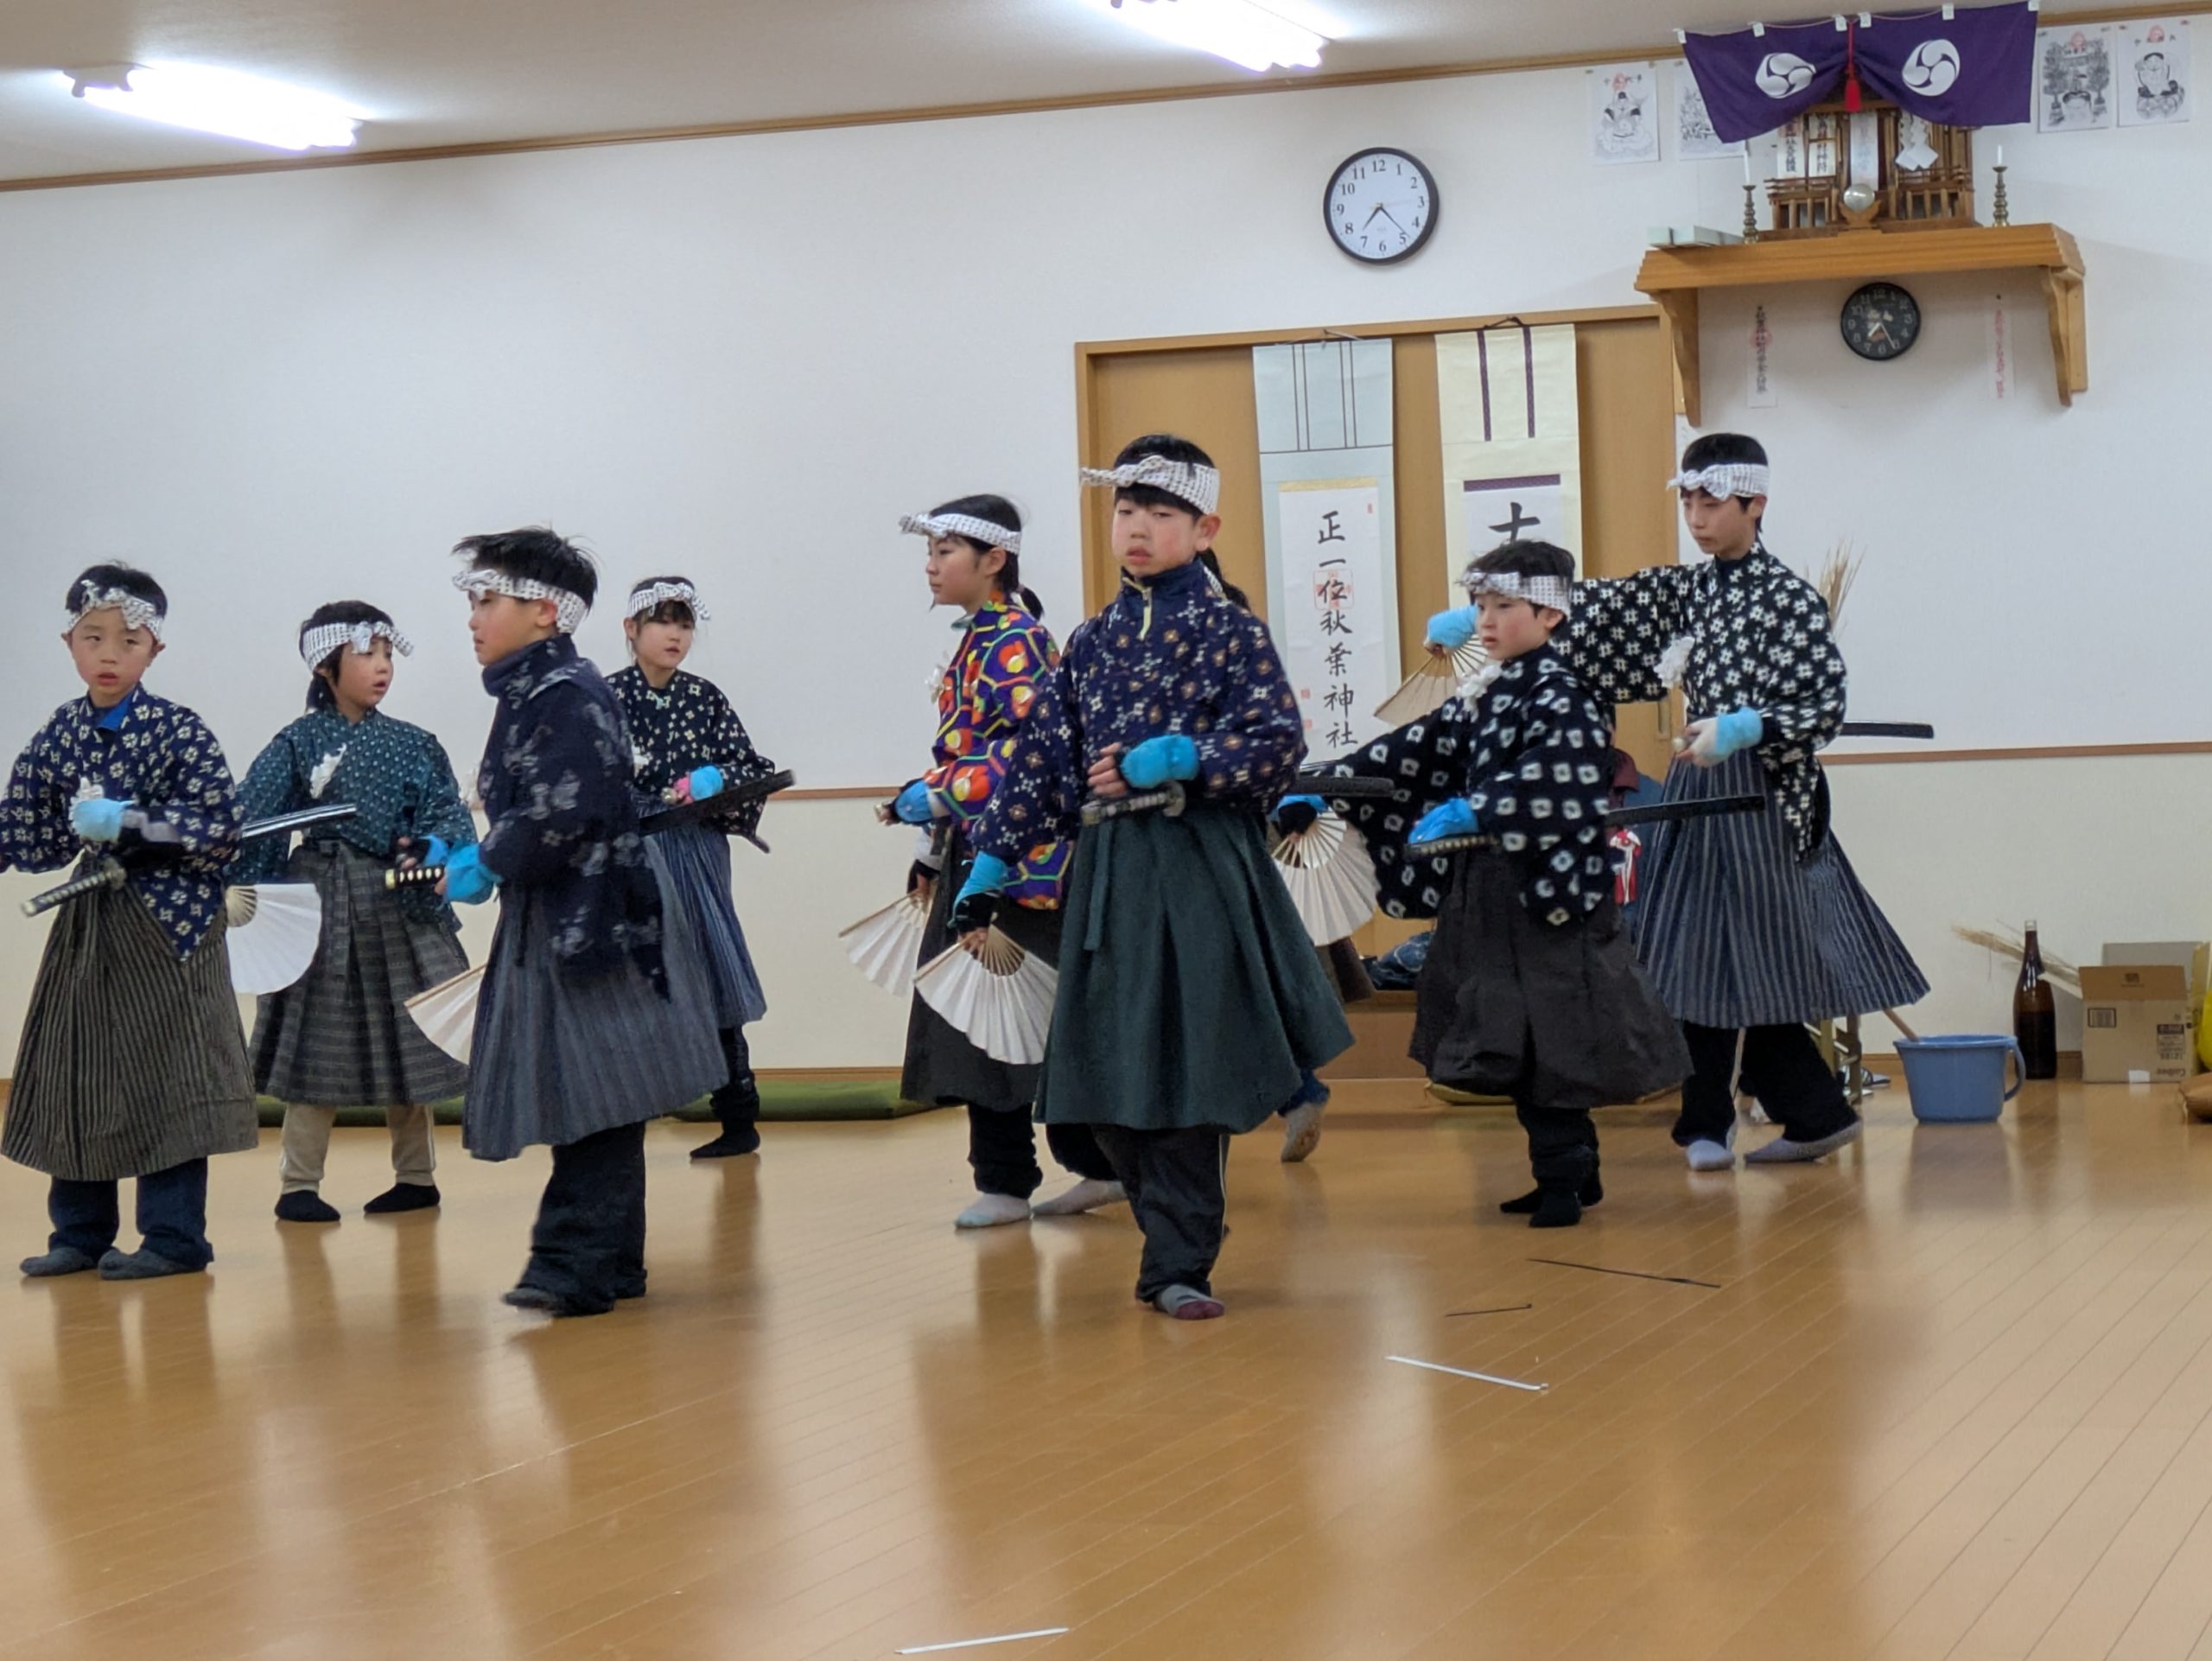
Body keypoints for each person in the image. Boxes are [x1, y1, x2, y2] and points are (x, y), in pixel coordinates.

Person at [1440, 434, 1926, 1169]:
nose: (1696, 517)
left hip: (1764, 796)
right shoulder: (1688, 590)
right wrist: (1494, 614)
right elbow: (1600, 608)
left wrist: (1746, 726)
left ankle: (1733, 1120)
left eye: (1711, 502)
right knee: (1696, 953)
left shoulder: (1790, 600)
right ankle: (1790, 1115)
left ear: (1755, 505)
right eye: (1688, 501)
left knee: (1732, 957)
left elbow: (1823, 704)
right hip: (1700, 785)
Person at [955, 437, 1353, 1319]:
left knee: (1185, 1074)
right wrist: (988, 865)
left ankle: (1178, 1261)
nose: (1137, 526)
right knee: (1097, 1080)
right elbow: (1041, 761)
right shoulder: (1091, 639)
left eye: (1160, 512)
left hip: (1197, 867)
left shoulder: (1229, 630)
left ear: (1204, 528)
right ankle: (1172, 1230)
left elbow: (1275, 743)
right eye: (1125, 509)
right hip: (1105, 877)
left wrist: (1181, 758)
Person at [1300, 541, 1688, 1226]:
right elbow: (1410, 750)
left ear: (1550, 615)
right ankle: (1570, 1172)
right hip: (1493, 892)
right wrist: (1328, 783)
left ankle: (1565, 1178)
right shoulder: (1487, 689)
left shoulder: (1566, 691)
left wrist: (1481, 807)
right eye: (1480, 605)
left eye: (1504, 606)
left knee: (1557, 1040)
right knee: (1517, 1039)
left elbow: (1559, 774)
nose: (1486, 620)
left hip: (1554, 898)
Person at [444, 528, 727, 1316]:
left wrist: (488, 858)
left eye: (487, 600)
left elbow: (561, 812)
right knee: (601, 1088)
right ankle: (611, 1263)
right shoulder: (537, 690)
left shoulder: (565, 692)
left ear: (544, 612)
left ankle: (573, 1264)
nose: (473, 617)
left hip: (594, 917)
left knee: (596, 1089)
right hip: (573, 911)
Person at [4, 565, 258, 1279]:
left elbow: (220, 831)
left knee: (169, 1078)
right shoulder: (58, 734)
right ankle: (79, 1233)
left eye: (129, 640)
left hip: (174, 926)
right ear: (69, 643)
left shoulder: (180, 731)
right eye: (93, 638)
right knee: (75, 1069)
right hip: (92, 924)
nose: (109, 654)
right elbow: (28, 833)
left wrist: (132, 821)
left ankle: (175, 1239)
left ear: (155, 650)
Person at [890, 496, 1125, 1228]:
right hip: (977, 850)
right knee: (984, 1021)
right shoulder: (981, 638)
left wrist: (942, 792)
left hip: (1026, 863)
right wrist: (932, 848)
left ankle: (1084, 1167)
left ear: (994, 560)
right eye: (929, 553)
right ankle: (1012, 1176)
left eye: (945, 552)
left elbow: (1034, 755)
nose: (931, 567)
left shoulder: (1017, 640)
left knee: (1026, 1019)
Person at [234, 601, 476, 1222]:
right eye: (367, 654)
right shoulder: (297, 741)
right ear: (326, 665)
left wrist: (435, 846)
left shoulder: (414, 743)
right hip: (320, 898)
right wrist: (251, 895)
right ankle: (299, 1184)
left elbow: (446, 813)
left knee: (408, 1032)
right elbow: (255, 819)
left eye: (388, 654)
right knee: (315, 1036)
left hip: (397, 896)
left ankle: (416, 1176)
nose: (382, 666)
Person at [609, 576, 779, 1161]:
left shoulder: (705, 697)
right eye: (662, 621)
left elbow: (750, 765)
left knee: (710, 967)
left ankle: (737, 1114)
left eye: (684, 623)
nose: (675, 634)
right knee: (633, 979)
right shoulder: (605, 698)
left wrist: (713, 779)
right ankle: (622, 1120)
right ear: (631, 629)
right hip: (632, 850)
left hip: (696, 847)